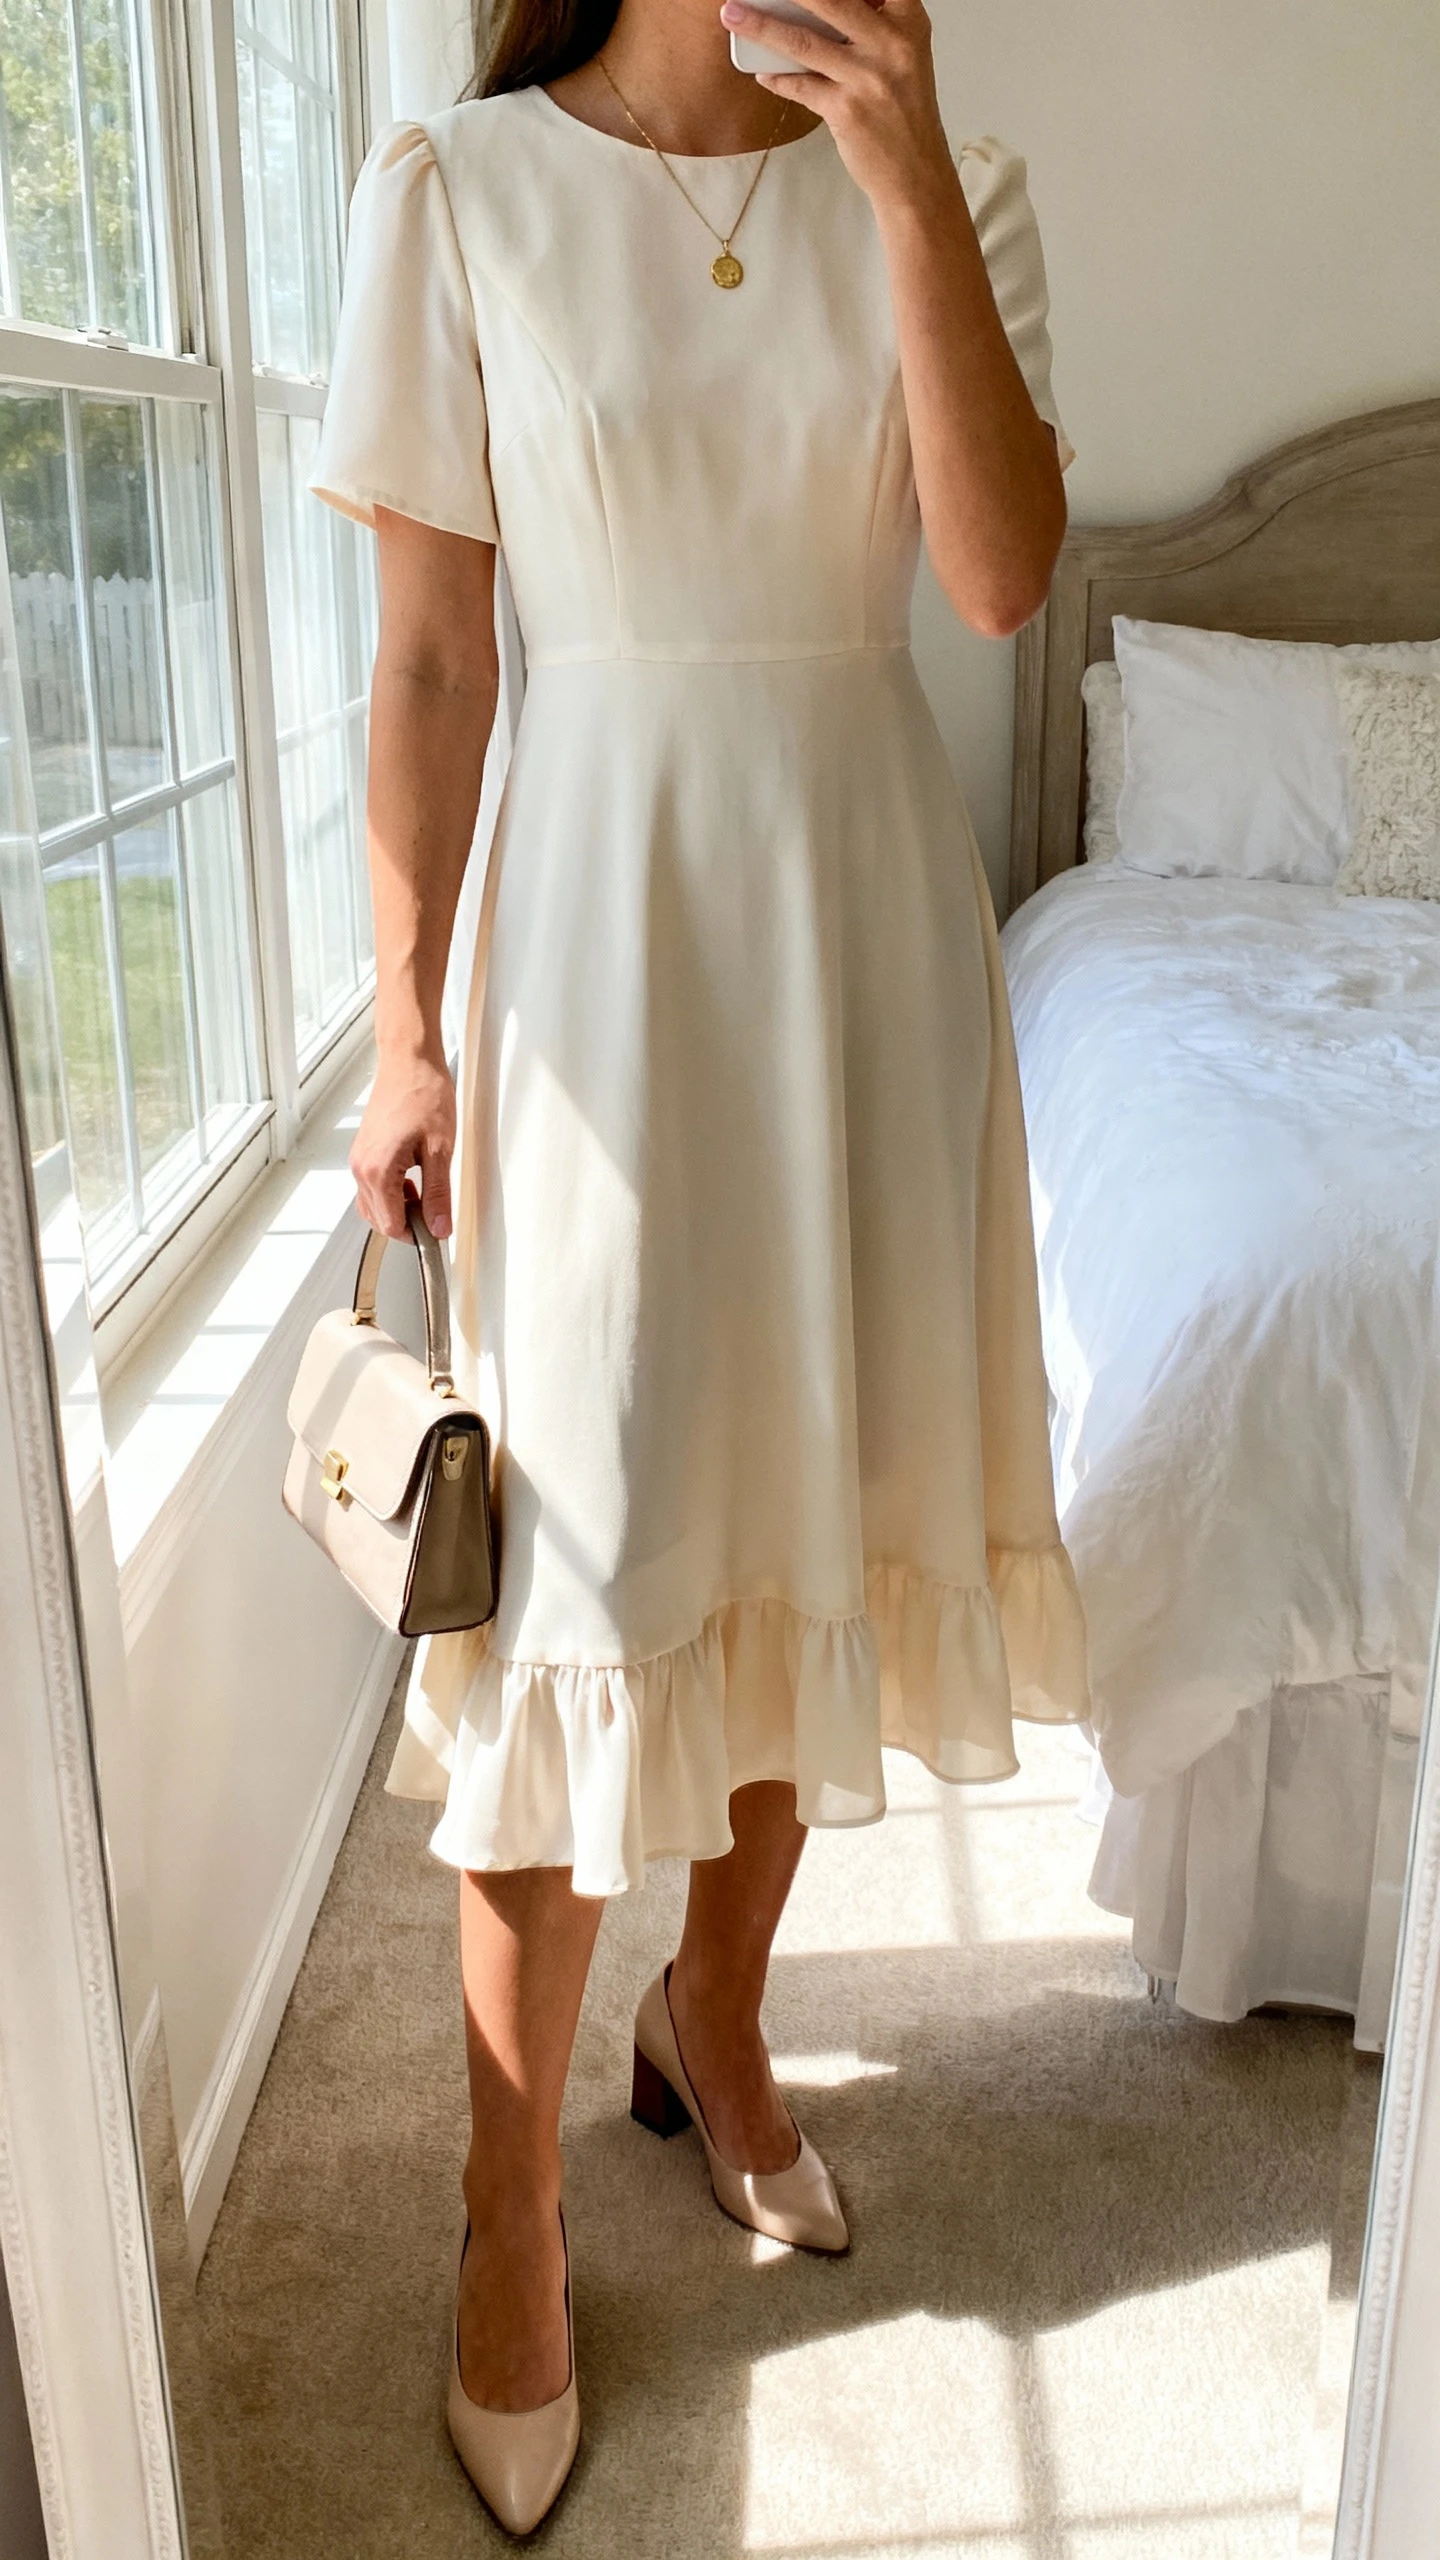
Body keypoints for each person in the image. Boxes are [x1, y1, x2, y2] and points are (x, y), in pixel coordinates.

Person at [310, 0, 1088, 2530]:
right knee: (578, 1579)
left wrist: (906, 175)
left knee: (807, 1518)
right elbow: (432, 659)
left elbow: (992, 578)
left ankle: (718, 2018)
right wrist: (407, 1025)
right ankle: (502, 2211)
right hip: (604, 969)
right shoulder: (463, 189)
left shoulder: (943, 196)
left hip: (861, 941)